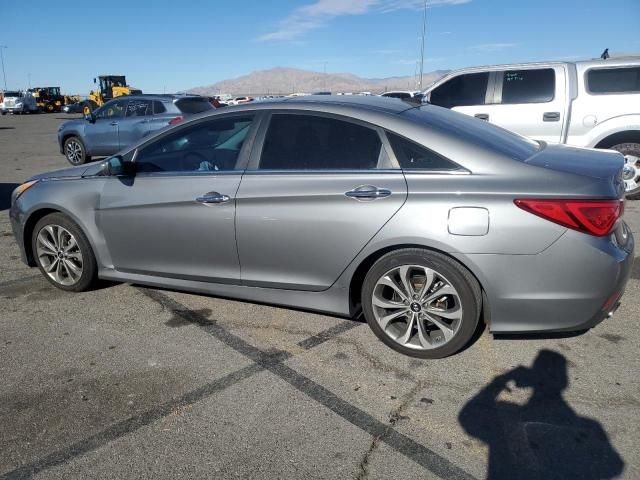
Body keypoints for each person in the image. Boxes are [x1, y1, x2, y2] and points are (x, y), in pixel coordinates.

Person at [459, 350, 624, 479]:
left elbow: (467, 417)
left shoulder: (508, 417)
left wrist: (502, 380)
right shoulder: (589, 426)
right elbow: (614, 466)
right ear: (564, 381)